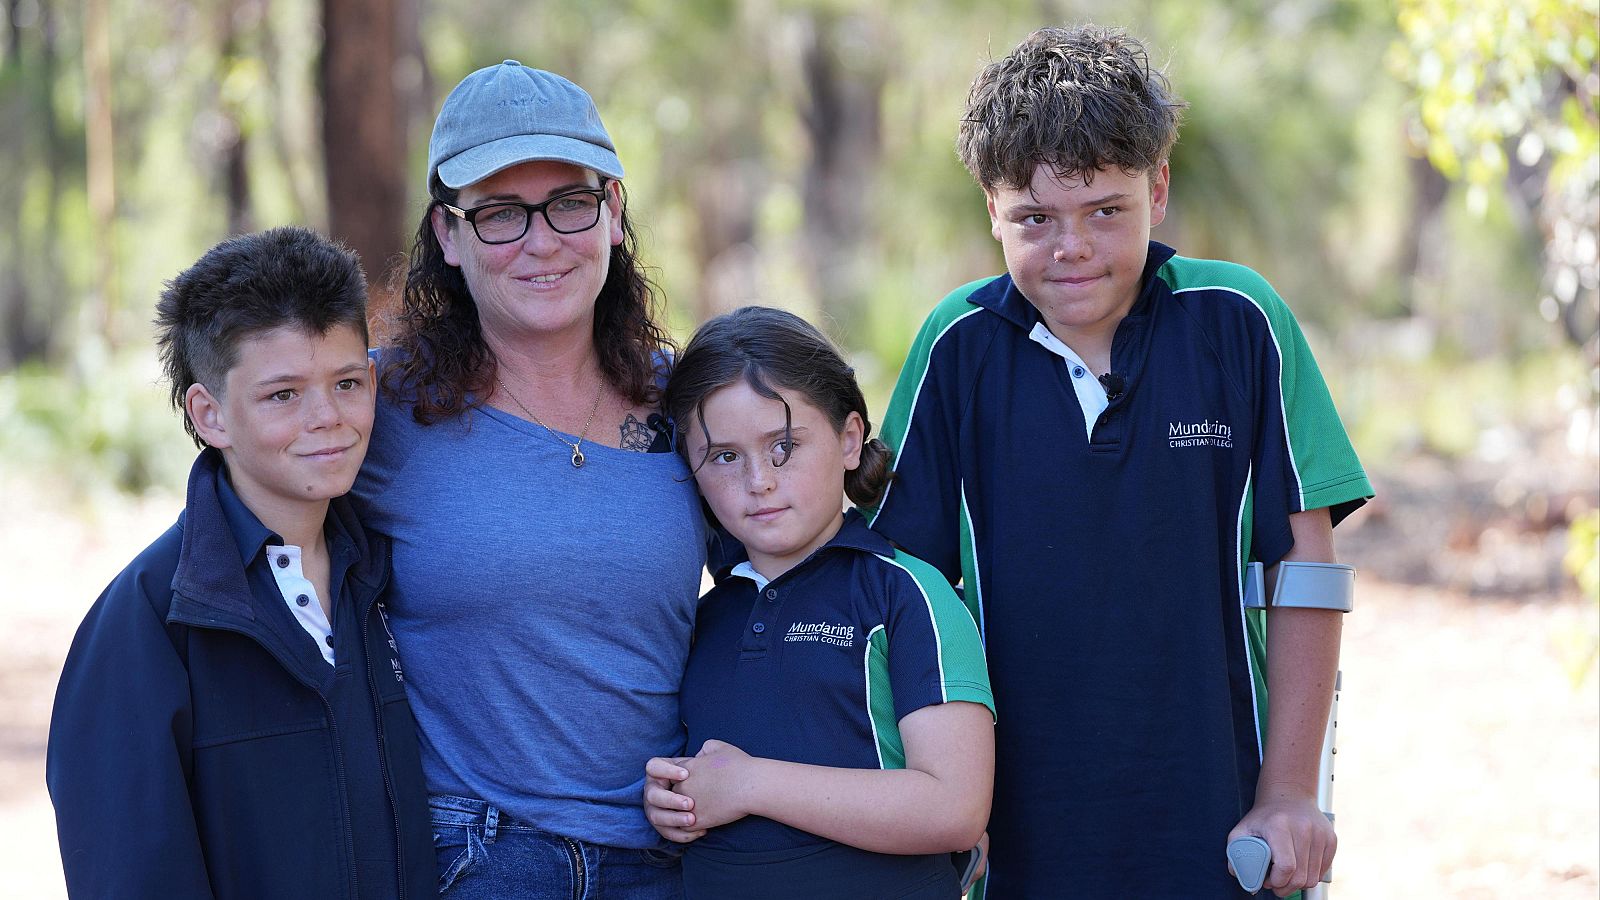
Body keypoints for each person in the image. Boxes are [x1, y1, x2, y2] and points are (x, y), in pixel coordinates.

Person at [862, 25, 1375, 898]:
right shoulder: (956, 348)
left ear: (1159, 190)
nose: (1074, 247)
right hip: (1015, 827)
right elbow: (902, 594)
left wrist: (1290, 793)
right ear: (990, 209)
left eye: (1107, 210)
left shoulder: (1240, 323)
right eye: (1034, 218)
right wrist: (930, 804)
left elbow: (1306, 572)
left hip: (1218, 809)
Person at [348, 60, 706, 898]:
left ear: (612, 212)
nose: (542, 243)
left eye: (569, 205)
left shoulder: (690, 399)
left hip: (671, 856)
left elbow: (790, 582)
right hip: (477, 858)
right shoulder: (379, 408)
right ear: (448, 235)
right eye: (502, 215)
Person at [46, 226, 435, 899]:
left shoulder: (388, 579)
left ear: (373, 378)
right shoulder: (145, 625)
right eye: (282, 395)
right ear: (211, 414)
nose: (327, 418)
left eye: (346, 382)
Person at [640, 306, 995, 899]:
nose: (759, 481)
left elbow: (955, 808)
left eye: (783, 446)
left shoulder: (904, 593)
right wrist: (675, 799)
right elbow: (712, 784)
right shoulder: (704, 614)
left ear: (850, 438)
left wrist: (751, 784)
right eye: (725, 456)